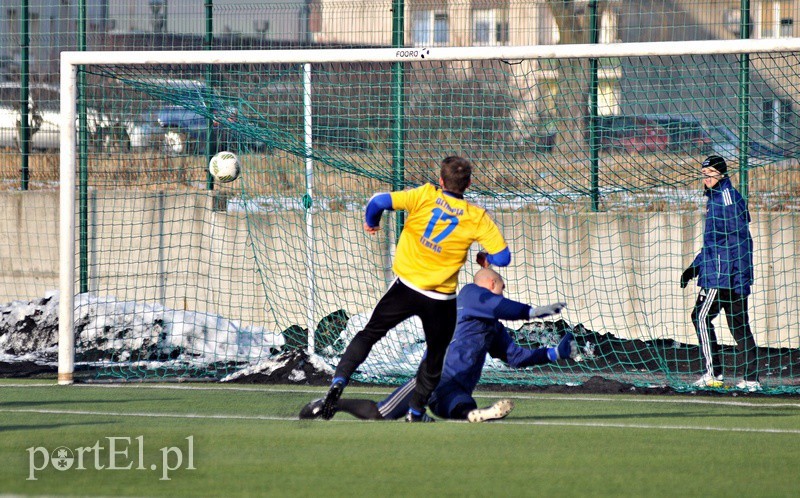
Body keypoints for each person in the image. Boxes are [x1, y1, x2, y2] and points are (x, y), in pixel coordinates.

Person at [319, 156, 512, 422]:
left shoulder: (424, 195)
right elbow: (503, 258)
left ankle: (338, 383)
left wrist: (372, 222)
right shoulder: (476, 217)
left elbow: (378, 201)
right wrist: (486, 257)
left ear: (441, 180)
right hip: (441, 299)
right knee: (434, 358)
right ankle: (416, 411)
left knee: (370, 334)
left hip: (405, 288)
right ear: (468, 184)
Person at [301, 268, 574, 422]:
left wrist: (553, 354)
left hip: (456, 389)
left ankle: (479, 414)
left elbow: (516, 357)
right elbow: (499, 305)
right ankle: (331, 404)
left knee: (463, 409)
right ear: (490, 284)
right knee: (381, 413)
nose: (503, 292)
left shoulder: (493, 327)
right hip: (432, 379)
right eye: (501, 286)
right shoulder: (470, 294)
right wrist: (532, 312)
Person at [680, 155, 759, 391]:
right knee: (738, 327)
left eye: (711, 173)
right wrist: (695, 267)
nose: (706, 178)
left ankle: (714, 373)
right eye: (704, 174)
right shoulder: (715, 198)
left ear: (722, 174)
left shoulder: (727, 199)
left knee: (700, 317)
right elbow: (715, 241)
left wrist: (734, 277)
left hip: (723, 276)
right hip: (724, 272)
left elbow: (740, 241)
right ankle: (752, 379)